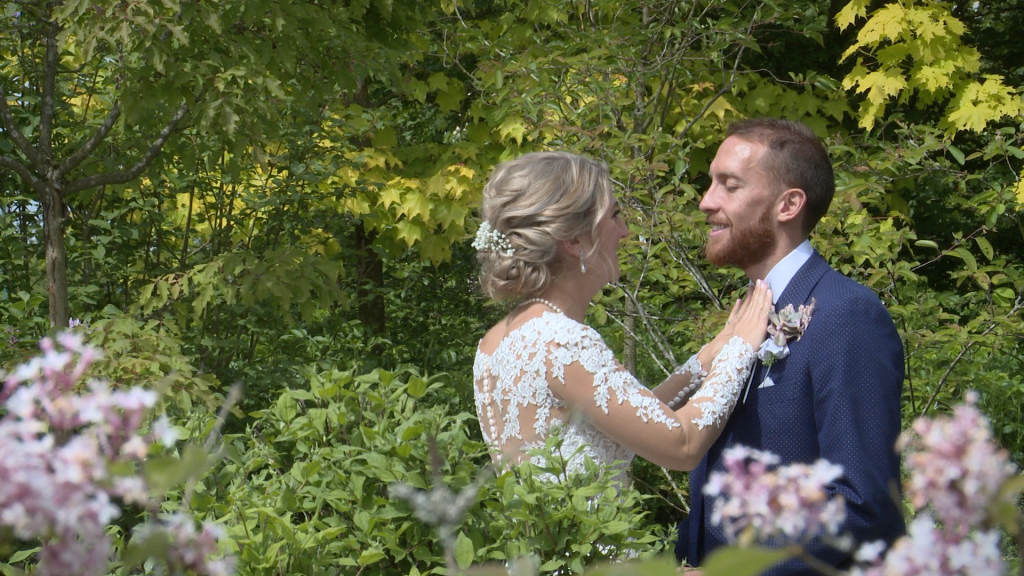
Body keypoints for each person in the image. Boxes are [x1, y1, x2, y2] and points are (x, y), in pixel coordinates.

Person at [675, 119, 905, 574]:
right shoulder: (746, 315)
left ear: (788, 204)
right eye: (710, 183)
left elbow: (862, 503)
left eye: (730, 185)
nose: (706, 202)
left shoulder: (847, 315)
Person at [471, 151, 772, 481]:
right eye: (614, 215)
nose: (625, 231)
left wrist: (705, 361)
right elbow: (681, 445)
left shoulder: (496, 340)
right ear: (574, 239)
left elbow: (633, 418)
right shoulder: (561, 342)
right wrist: (740, 350)